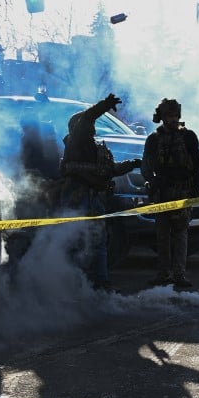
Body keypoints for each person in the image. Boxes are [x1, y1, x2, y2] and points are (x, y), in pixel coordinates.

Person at [58, 93, 142, 292]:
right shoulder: (76, 142)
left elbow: (109, 169)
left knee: (98, 241)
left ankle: (100, 283)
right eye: (88, 123)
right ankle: (75, 283)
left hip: (94, 197)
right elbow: (88, 116)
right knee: (77, 239)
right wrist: (105, 104)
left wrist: (133, 164)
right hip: (78, 197)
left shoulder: (95, 147)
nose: (93, 126)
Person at [142, 98, 199, 288]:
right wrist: (152, 184)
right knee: (162, 236)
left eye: (175, 115)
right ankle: (163, 274)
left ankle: (179, 274)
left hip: (182, 191)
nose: (172, 119)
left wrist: (194, 190)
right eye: (168, 116)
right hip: (162, 193)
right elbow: (146, 165)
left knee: (180, 235)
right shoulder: (153, 139)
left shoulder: (189, 137)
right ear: (161, 117)